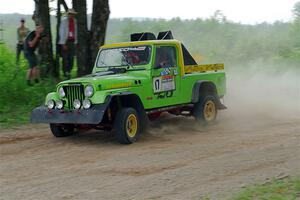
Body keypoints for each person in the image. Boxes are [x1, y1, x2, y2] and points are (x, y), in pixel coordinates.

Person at [58, 8, 78, 79]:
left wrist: (76, 42)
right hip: (65, 41)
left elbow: (76, 32)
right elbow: (61, 32)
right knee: (65, 58)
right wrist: (63, 43)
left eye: (72, 14)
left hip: (72, 41)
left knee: (71, 58)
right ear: (68, 14)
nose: (71, 15)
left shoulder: (75, 21)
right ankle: (65, 72)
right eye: (70, 14)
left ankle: (69, 71)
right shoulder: (64, 21)